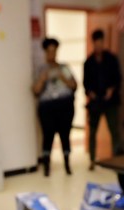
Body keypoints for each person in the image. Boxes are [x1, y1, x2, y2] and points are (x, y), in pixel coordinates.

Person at [32, 37, 77, 176]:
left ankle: (67, 164)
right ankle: (46, 166)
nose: (52, 54)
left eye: (54, 51)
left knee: (65, 135)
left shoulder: (64, 67)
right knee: (48, 136)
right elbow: (35, 90)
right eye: (49, 51)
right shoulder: (41, 70)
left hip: (65, 105)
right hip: (47, 107)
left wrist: (64, 78)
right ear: (45, 52)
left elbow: (74, 85)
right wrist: (42, 79)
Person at [83, 29, 122, 170]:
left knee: (114, 131)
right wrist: (90, 93)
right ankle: (92, 160)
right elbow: (85, 83)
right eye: (96, 43)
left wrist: (111, 90)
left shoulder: (112, 59)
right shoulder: (88, 62)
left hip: (110, 102)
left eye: (101, 42)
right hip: (95, 103)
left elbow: (118, 79)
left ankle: (116, 159)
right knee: (93, 131)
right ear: (93, 43)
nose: (98, 45)